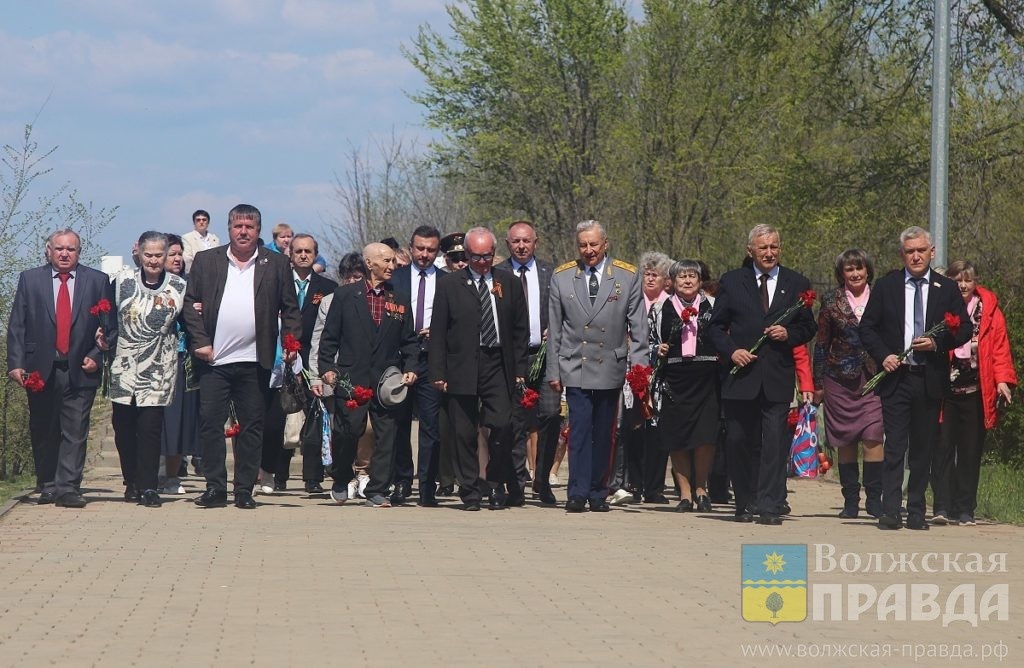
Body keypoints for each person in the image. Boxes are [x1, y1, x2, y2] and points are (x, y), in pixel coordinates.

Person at [183, 204, 301, 510]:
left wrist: (291, 343)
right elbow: (190, 305)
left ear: (259, 231)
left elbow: (290, 309)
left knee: (252, 426)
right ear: (229, 228)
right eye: (238, 226)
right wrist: (200, 342)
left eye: (249, 226)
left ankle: (244, 490)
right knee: (210, 425)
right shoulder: (207, 261)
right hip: (214, 361)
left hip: (255, 360)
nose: (243, 231)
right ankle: (215, 487)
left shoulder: (275, 264)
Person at [859, 226, 971, 530]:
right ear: (902, 255)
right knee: (895, 445)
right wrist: (884, 355)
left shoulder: (946, 289)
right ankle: (891, 509)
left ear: (931, 252)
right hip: (897, 377)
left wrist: (937, 343)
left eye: (921, 250)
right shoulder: (887, 286)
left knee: (923, 447)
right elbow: (867, 328)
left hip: (929, 378)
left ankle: (917, 510)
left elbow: (963, 329)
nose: (916, 256)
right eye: (910, 251)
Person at [707, 224, 817, 525]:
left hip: (776, 377)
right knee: (740, 440)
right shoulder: (732, 281)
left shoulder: (796, 282)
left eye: (774, 247)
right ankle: (745, 501)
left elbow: (809, 327)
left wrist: (789, 332)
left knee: (773, 445)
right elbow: (715, 327)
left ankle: (769, 505)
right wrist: (732, 351)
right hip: (740, 377)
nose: (769, 253)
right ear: (750, 250)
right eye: (763, 247)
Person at [6, 229, 114, 508]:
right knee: (43, 428)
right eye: (60, 249)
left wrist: (96, 354)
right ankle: (48, 485)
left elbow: (109, 328)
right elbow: (17, 324)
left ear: (79, 252)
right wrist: (16, 364)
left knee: (76, 430)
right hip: (39, 369)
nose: (65, 254)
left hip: (80, 368)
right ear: (49, 250)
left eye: (71, 249)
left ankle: (68, 488)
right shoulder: (30, 280)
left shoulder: (97, 281)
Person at [546, 220, 648, 513]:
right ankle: (577, 492)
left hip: (610, 365)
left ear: (606, 243)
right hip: (575, 363)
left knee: (605, 432)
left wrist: (639, 371)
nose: (588, 251)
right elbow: (554, 329)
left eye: (593, 244)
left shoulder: (627, 276)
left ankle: (598, 492)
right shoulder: (563, 276)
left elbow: (638, 329)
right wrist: (554, 370)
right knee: (577, 430)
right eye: (583, 245)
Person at [429, 227, 530, 510]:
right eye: (475, 256)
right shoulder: (450, 284)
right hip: (461, 366)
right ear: (467, 254)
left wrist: (520, 368)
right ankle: (470, 490)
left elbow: (520, 329)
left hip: (498, 363)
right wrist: (438, 372)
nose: (482, 262)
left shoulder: (507, 282)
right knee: (463, 431)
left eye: (487, 256)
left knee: (503, 425)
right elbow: (438, 332)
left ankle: (496, 483)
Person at [317, 243, 419, 508]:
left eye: (393, 261)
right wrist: (327, 367)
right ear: (369, 263)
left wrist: (410, 369)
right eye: (386, 260)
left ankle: (377, 489)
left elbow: (409, 340)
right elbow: (329, 338)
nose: (392, 265)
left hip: (387, 379)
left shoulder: (400, 297)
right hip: (352, 377)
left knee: (387, 435)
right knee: (348, 431)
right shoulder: (345, 295)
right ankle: (341, 478)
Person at [101, 231, 187, 508]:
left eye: (158, 255)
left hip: (159, 368)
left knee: (151, 428)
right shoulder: (121, 280)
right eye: (148, 254)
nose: (153, 260)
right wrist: (102, 337)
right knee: (124, 427)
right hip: (123, 365)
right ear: (138, 253)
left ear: (166, 255)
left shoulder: (178, 285)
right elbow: (104, 315)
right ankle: (132, 482)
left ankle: (149, 487)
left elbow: (191, 322)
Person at [931, 260, 1016, 526]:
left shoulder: (990, 311)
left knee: (969, 451)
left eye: (968, 280)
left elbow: (1000, 350)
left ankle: (965, 507)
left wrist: (1002, 381)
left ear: (975, 281)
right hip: (946, 391)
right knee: (942, 449)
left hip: (976, 391)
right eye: (958, 280)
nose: (963, 285)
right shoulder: (942, 306)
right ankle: (942, 506)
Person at [260, 233, 338, 492]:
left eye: (308, 251)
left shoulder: (328, 288)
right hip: (282, 358)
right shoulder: (277, 283)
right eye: (298, 251)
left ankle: (313, 477)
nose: (303, 255)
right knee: (282, 416)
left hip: (312, 358)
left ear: (315, 255)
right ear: (290, 255)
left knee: (315, 417)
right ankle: (278, 474)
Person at [812, 249, 885, 519]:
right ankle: (851, 501)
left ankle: (874, 500)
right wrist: (817, 382)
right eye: (849, 269)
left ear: (868, 270)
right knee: (845, 440)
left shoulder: (881, 296)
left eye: (859, 268)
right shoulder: (831, 300)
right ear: (841, 273)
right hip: (839, 380)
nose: (855, 274)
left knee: (873, 437)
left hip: (874, 378)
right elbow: (821, 344)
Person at [497, 220, 560, 506]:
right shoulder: (498, 274)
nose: (521, 246)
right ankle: (516, 484)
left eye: (526, 241)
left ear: (536, 242)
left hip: (545, 355)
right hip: (511, 359)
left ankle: (543, 480)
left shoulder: (551, 273)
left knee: (549, 416)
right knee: (514, 423)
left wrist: (555, 330)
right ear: (507, 244)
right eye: (515, 242)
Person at [649, 259, 720, 512]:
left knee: (705, 437)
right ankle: (685, 494)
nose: (687, 281)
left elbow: (724, 336)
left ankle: (702, 489)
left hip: (708, 379)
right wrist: (657, 349)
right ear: (673, 282)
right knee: (677, 437)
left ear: (701, 281)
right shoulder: (660, 308)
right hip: (674, 380)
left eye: (692, 276)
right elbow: (646, 341)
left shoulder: (714, 306)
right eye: (682, 277)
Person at [610, 250, 672, 505]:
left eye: (654, 275)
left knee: (656, 430)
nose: (649, 279)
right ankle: (631, 482)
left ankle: (655, 486)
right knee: (630, 429)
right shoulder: (632, 301)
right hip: (631, 374)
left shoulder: (670, 304)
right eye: (645, 274)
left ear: (666, 280)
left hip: (660, 377)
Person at [390, 225, 445, 506]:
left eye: (431, 250)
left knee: (431, 427)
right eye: (420, 248)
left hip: (432, 361)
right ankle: (401, 482)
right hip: (399, 361)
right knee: (399, 425)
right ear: (411, 247)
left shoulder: (448, 281)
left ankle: (427, 486)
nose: (425, 255)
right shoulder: (395, 279)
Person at [308, 252, 369, 495]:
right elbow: (319, 340)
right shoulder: (329, 301)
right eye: (349, 277)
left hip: (364, 373)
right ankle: (343, 473)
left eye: (358, 277)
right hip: (334, 373)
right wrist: (317, 375)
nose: (354, 281)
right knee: (341, 428)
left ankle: (363, 472)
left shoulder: (373, 299)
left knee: (366, 428)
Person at [159, 234, 200, 495]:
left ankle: (172, 476)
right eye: (170, 253)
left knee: (178, 422)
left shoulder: (189, 286)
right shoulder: (148, 286)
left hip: (183, 360)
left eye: (178, 253)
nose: (176, 258)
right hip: (154, 363)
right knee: (157, 422)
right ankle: (150, 474)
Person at [182, 210, 219, 274]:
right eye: (198, 220)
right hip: (196, 274)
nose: (201, 222)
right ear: (194, 222)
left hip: (214, 274)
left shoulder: (215, 239)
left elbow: (219, 258)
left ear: (208, 222)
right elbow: (187, 259)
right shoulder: (187, 238)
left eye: (204, 220)